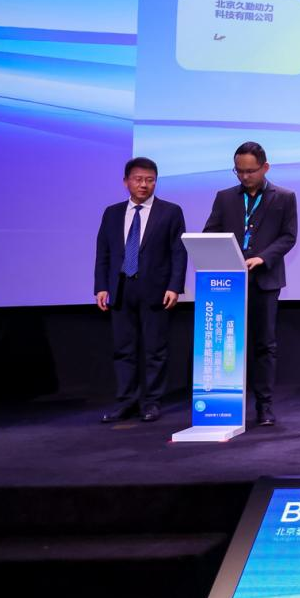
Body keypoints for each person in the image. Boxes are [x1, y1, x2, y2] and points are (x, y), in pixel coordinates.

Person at [202, 141, 298, 426]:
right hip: (228, 282)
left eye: (250, 171)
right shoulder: (224, 197)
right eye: (239, 171)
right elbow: (211, 233)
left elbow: (288, 237)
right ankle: (225, 404)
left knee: (264, 344)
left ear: (265, 167)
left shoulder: (284, 197)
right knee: (227, 343)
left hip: (264, 280)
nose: (244, 176)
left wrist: (263, 258)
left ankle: (264, 406)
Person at [94, 157, 187, 423]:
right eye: (138, 179)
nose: (144, 185)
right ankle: (126, 401)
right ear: (126, 182)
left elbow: (178, 252)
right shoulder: (112, 213)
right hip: (121, 288)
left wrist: (174, 286)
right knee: (124, 349)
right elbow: (103, 253)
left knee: (155, 350)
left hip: (155, 290)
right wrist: (101, 286)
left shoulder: (170, 211)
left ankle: (152, 402)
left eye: (150, 180)